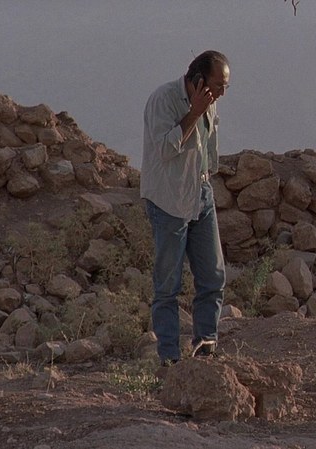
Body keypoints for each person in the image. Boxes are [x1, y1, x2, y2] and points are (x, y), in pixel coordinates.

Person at [140, 50, 230, 366]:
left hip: (200, 193)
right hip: (168, 199)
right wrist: (194, 113)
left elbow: (208, 144)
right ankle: (169, 358)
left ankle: (205, 347)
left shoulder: (210, 102)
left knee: (213, 276)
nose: (222, 93)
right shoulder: (163, 100)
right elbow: (166, 149)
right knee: (168, 284)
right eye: (218, 85)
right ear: (199, 80)